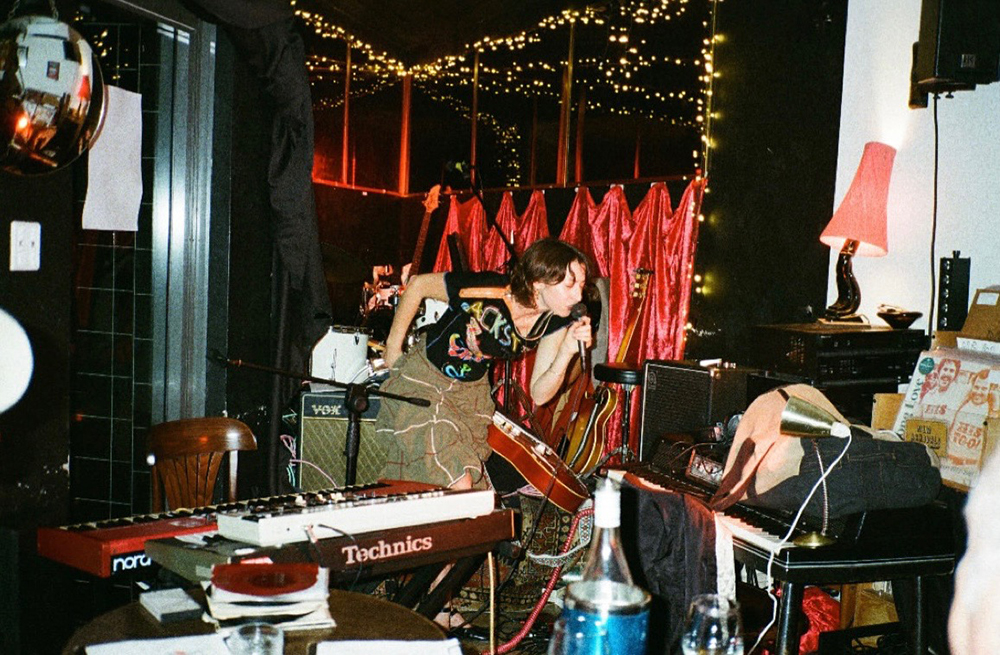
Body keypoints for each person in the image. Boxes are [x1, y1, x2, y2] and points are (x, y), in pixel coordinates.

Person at [374, 237, 593, 490]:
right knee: (458, 479)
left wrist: (566, 352)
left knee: (464, 482)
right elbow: (418, 284)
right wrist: (393, 348)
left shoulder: (554, 322)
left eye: (581, 285)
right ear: (538, 282)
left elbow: (540, 394)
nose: (578, 296)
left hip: (469, 394)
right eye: (570, 285)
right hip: (426, 378)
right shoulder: (487, 289)